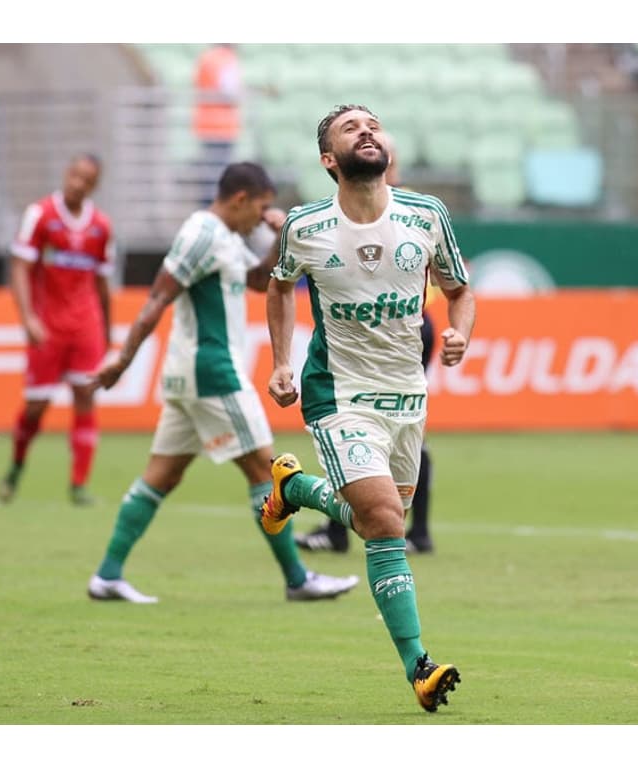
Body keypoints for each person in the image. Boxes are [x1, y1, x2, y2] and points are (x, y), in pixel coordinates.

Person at [262, 105, 476, 712]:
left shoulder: (427, 214)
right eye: (350, 128)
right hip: (339, 391)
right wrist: (281, 361)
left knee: (376, 520)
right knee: (384, 519)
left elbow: (460, 291)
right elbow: (278, 287)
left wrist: (460, 333)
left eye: (373, 125)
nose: (367, 131)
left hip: (407, 394)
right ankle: (420, 667)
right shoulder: (305, 226)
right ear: (330, 159)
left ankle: (295, 486)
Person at [85, 162, 359, 604]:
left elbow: (257, 280)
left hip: (192, 375)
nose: (261, 215)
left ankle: (108, 575)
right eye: (261, 207)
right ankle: (297, 579)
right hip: (211, 372)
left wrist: (279, 235)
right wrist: (123, 359)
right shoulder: (201, 234)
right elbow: (158, 297)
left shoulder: (227, 239)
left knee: (162, 475)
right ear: (240, 200)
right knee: (267, 471)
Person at [294, 136, 436, 555]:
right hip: (375, 328)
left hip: (400, 330)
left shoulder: (406, 207)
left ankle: (408, 528)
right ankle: (363, 529)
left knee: (397, 426)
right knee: (367, 428)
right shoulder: (353, 207)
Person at [0, 153, 114, 506]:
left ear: (94, 185)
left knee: (85, 399)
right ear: (67, 173)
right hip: (47, 328)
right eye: (75, 175)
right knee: (36, 407)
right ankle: (16, 466)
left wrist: (107, 332)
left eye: (86, 179)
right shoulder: (40, 215)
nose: (78, 183)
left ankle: (79, 485)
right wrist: (28, 317)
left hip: (86, 329)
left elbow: (103, 284)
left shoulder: (102, 227)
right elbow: (19, 268)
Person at [193, 44, 242, 204]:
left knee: (210, 176)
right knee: (218, 178)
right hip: (223, 126)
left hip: (207, 124)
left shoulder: (207, 57)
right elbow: (230, 91)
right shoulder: (226, 59)